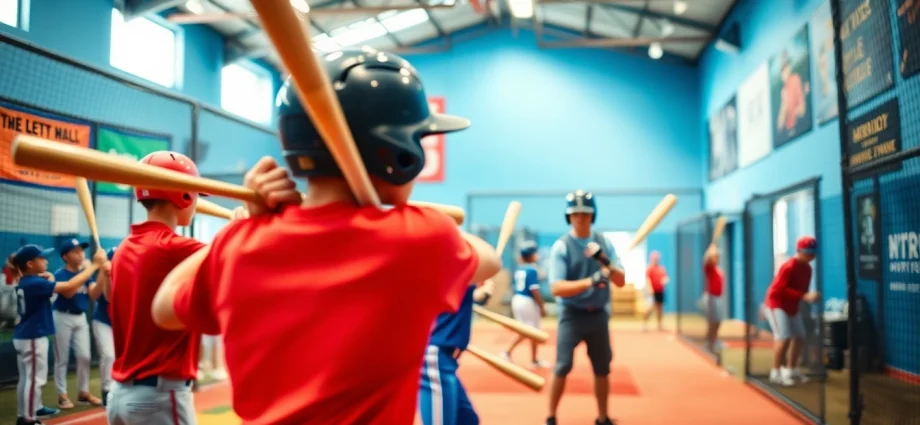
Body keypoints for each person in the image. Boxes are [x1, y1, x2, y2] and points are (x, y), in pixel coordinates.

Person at [149, 48, 501, 425]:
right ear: (399, 153)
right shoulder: (421, 238)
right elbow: (489, 260)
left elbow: (164, 308)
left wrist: (240, 228)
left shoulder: (241, 244)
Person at [104, 151, 249, 425]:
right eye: (193, 194)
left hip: (121, 396)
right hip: (158, 398)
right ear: (182, 195)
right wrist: (241, 229)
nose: (195, 203)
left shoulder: (124, 247)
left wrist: (237, 229)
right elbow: (232, 258)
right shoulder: (173, 248)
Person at [545, 190, 625, 425]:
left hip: (598, 314)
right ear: (568, 217)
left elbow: (620, 281)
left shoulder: (604, 243)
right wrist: (591, 280)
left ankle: (603, 417)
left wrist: (605, 261)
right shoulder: (562, 246)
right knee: (563, 365)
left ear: (593, 216)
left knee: (602, 367)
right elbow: (557, 288)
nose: (580, 218)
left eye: (585, 213)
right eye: (575, 213)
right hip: (571, 314)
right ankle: (551, 417)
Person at [13, 244, 104, 425]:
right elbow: (69, 286)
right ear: (30, 264)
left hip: (24, 336)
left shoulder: (27, 282)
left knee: (26, 379)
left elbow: (46, 286)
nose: (46, 260)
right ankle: (28, 419)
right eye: (41, 258)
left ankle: (29, 410)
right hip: (33, 336)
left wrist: (47, 278)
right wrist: (94, 266)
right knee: (34, 380)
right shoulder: (35, 283)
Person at [418, 278, 494, 425]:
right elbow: (489, 266)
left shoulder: (458, 274)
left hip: (445, 357)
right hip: (435, 354)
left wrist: (481, 293)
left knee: (467, 420)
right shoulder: (453, 261)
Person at [51, 238, 104, 409]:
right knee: (62, 358)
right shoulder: (60, 274)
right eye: (76, 251)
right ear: (65, 256)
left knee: (85, 356)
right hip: (62, 317)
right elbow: (68, 292)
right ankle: (62, 394)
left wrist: (102, 272)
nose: (81, 254)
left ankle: (83, 392)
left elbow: (94, 294)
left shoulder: (85, 274)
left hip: (80, 318)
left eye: (81, 251)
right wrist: (90, 268)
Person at [764, 236, 820, 387]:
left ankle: (791, 369)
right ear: (799, 252)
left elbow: (803, 291)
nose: (811, 256)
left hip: (791, 306)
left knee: (800, 336)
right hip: (776, 304)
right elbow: (780, 289)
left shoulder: (808, 269)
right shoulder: (789, 266)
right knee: (784, 336)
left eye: (813, 253)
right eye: (808, 252)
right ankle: (775, 372)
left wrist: (808, 297)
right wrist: (804, 296)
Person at [500, 240, 548, 367]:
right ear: (531, 255)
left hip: (518, 299)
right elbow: (535, 290)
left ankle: (534, 359)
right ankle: (507, 352)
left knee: (531, 330)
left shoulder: (520, 269)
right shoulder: (532, 270)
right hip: (527, 301)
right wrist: (542, 306)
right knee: (529, 330)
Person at [89, 246, 117, 407]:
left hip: (121, 323)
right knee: (108, 356)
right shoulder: (100, 274)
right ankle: (107, 391)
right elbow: (94, 295)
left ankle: (120, 389)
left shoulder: (128, 273)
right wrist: (103, 272)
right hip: (103, 321)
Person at [702, 246, 724, 353]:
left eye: (718, 256)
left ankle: (714, 340)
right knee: (712, 320)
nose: (717, 258)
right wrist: (710, 252)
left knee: (718, 320)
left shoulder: (718, 269)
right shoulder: (709, 268)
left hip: (718, 297)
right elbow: (706, 261)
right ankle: (709, 343)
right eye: (716, 256)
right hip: (711, 297)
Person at [642, 251, 668, 332]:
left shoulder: (661, 268)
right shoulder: (649, 268)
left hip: (660, 291)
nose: (656, 259)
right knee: (649, 308)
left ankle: (659, 325)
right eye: (654, 258)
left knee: (660, 309)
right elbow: (648, 279)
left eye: (657, 258)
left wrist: (665, 281)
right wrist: (650, 289)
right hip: (652, 292)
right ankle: (644, 325)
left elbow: (665, 278)